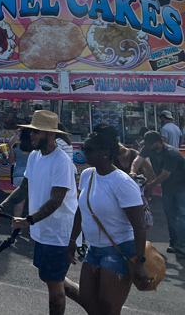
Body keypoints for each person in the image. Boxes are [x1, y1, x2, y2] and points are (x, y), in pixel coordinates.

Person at [0, 110, 81, 315]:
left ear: (50, 134)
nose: (31, 136)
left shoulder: (61, 162)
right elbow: (24, 189)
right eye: (31, 131)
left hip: (59, 233)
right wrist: (2, 207)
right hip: (42, 230)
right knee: (48, 277)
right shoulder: (35, 156)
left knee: (55, 290)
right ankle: (91, 302)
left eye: (36, 132)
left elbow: (56, 201)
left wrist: (27, 220)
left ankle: (90, 304)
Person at [66, 124, 151, 314]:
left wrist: (140, 262)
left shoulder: (122, 183)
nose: (83, 153)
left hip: (119, 250)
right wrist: (72, 240)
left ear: (105, 152)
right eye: (83, 149)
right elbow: (81, 210)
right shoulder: (88, 174)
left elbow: (139, 226)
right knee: (90, 304)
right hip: (94, 249)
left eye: (88, 150)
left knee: (108, 310)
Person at [134, 130, 185, 255]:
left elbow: (164, 175)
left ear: (159, 143)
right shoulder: (148, 148)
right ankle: (174, 243)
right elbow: (138, 160)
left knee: (181, 216)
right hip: (168, 188)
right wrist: (132, 172)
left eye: (150, 144)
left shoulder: (170, 153)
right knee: (170, 215)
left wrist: (150, 186)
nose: (148, 147)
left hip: (181, 187)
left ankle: (182, 245)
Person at [5, 126, 32, 220]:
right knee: (32, 203)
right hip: (31, 175)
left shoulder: (15, 146)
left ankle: (15, 226)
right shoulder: (33, 146)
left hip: (18, 174)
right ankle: (30, 227)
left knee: (19, 202)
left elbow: (10, 160)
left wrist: (5, 155)